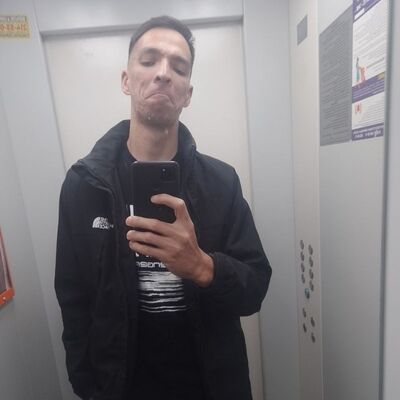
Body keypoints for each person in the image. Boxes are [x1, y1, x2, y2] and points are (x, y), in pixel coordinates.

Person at [55, 15, 272, 400]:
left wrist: (202, 266)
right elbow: (73, 297)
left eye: (179, 67)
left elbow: (254, 287)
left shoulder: (221, 183)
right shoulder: (84, 185)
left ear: (188, 93)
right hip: (119, 388)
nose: (163, 73)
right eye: (149, 60)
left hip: (211, 387)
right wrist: (87, 385)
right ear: (126, 80)